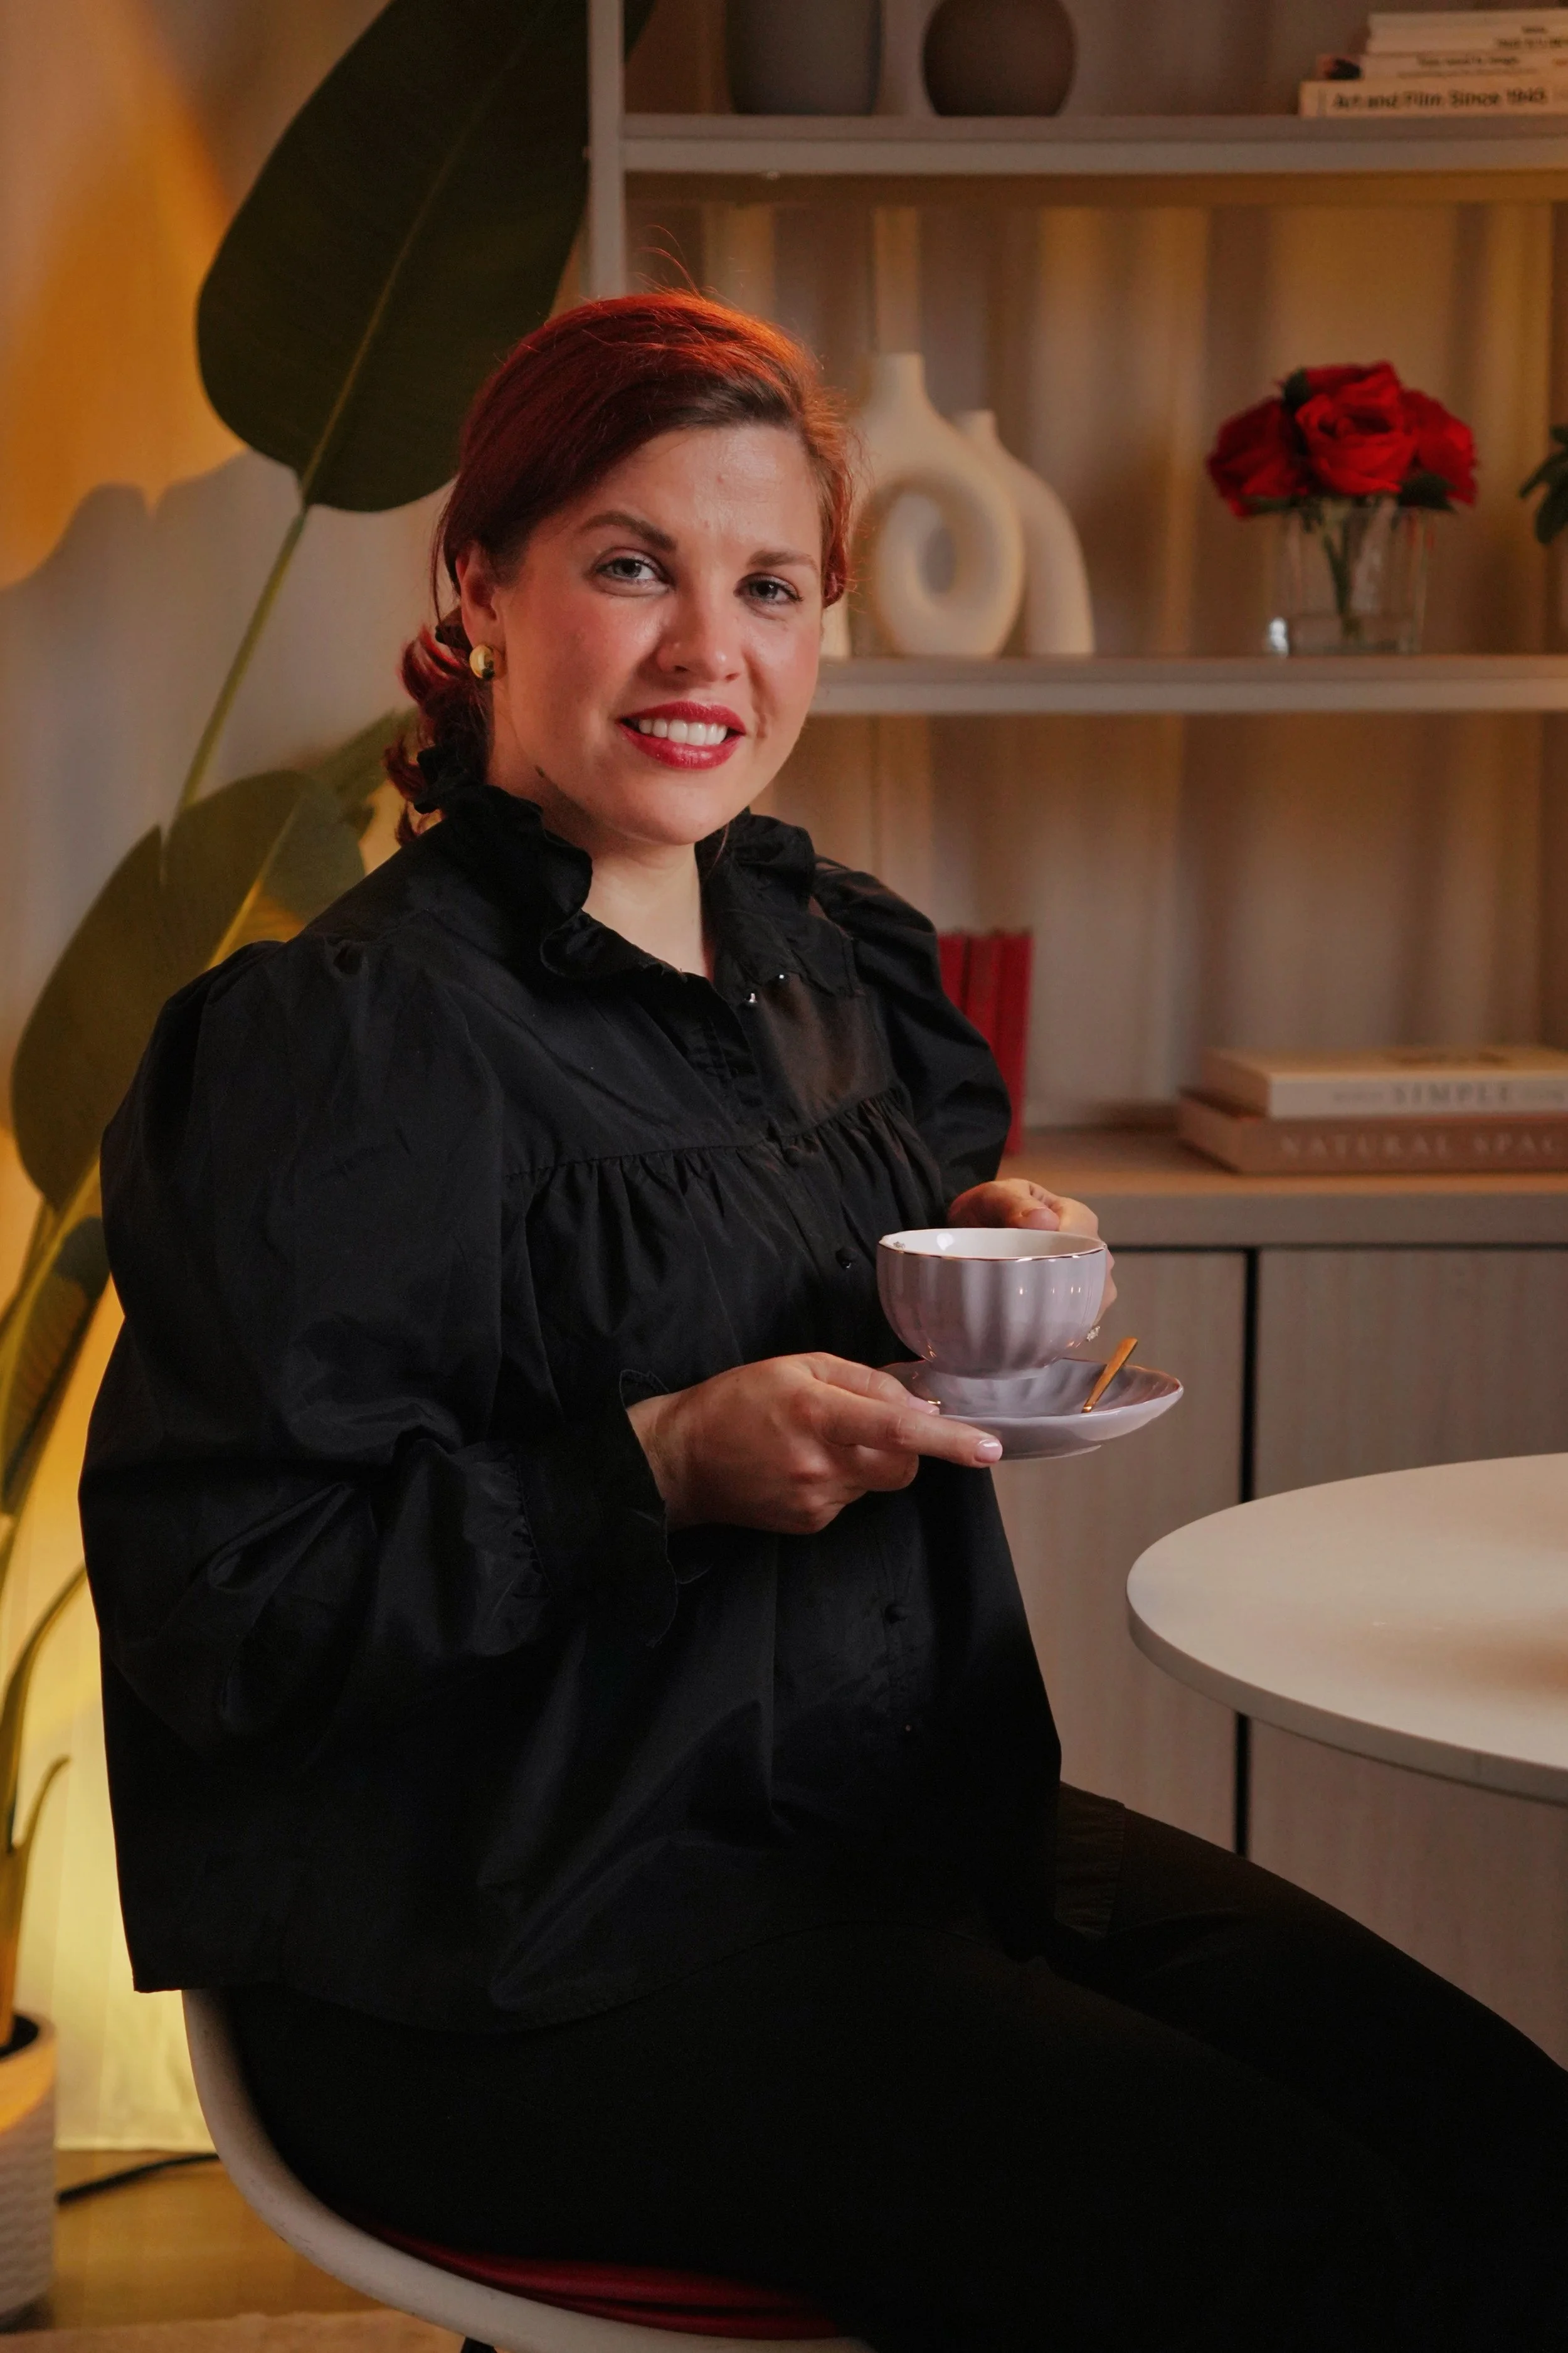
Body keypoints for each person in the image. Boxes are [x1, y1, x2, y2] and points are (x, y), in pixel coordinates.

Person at [82, 294, 1567, 2353]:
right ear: (481, 586)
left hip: (895, 1834)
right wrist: (653, 1467)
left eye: (769, 582)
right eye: (631, 564)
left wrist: (991, 1239)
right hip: (523, 1948)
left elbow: (831, 1258)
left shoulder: (824, 957)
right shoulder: (344, 1049)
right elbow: (223, 1615)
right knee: (1308, 2250)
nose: (711, 650)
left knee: (1520, 2163)